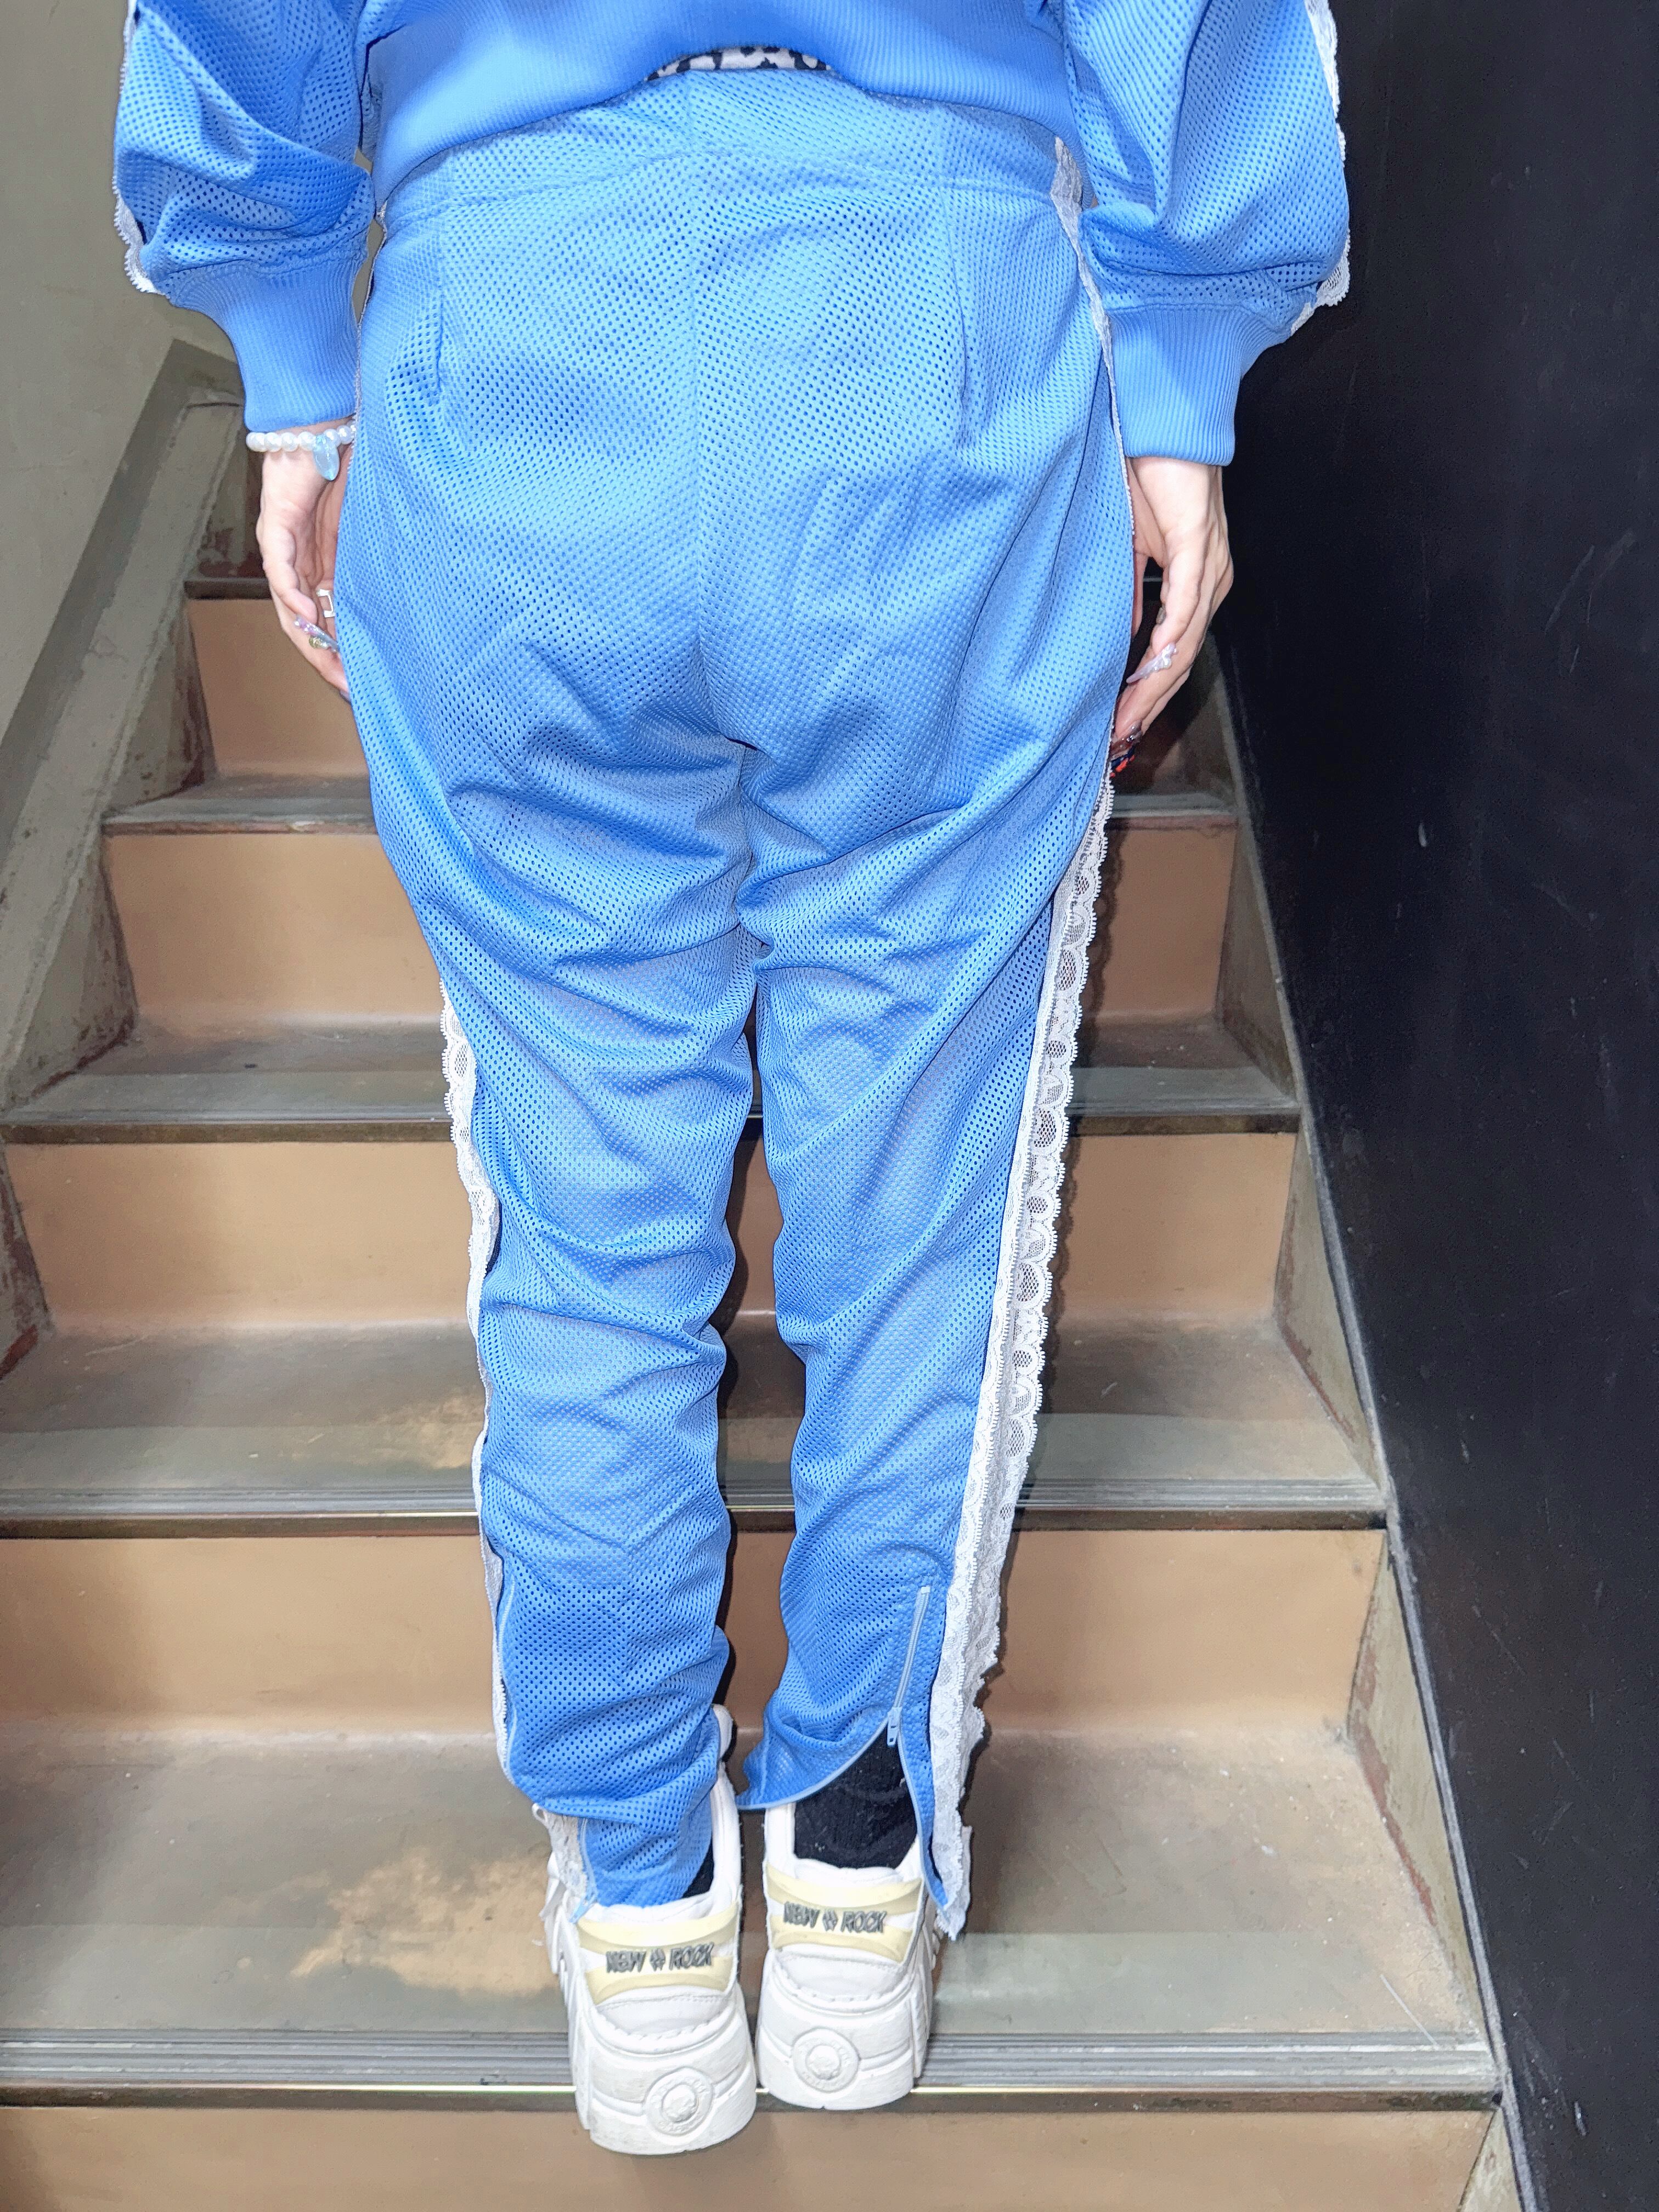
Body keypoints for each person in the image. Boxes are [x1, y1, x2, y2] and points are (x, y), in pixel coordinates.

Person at [114, 1, 1347, 2157]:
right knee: (918, 1205)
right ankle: (855, 1875)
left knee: (590, 1227)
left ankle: (647, 1916)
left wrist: (297, 362)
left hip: (517, 329)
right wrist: (1177, 382)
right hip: (933, 326)